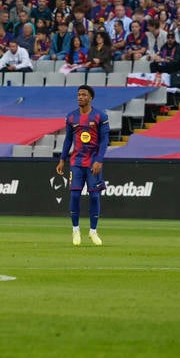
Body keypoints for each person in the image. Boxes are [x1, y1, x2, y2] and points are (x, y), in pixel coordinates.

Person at [57, 85, 108, 246]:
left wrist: (99, 160)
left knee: (94, 196)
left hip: (93, 163)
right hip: (76, 162)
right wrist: (62, 159)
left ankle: (93, 231)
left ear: (90, 98)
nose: (80, 97)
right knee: (74, 195)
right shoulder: (71, 117)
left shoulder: (100, 116)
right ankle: (75, 229)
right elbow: (68, 140)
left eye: (84, 95)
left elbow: (104, 140)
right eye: (79, 94)